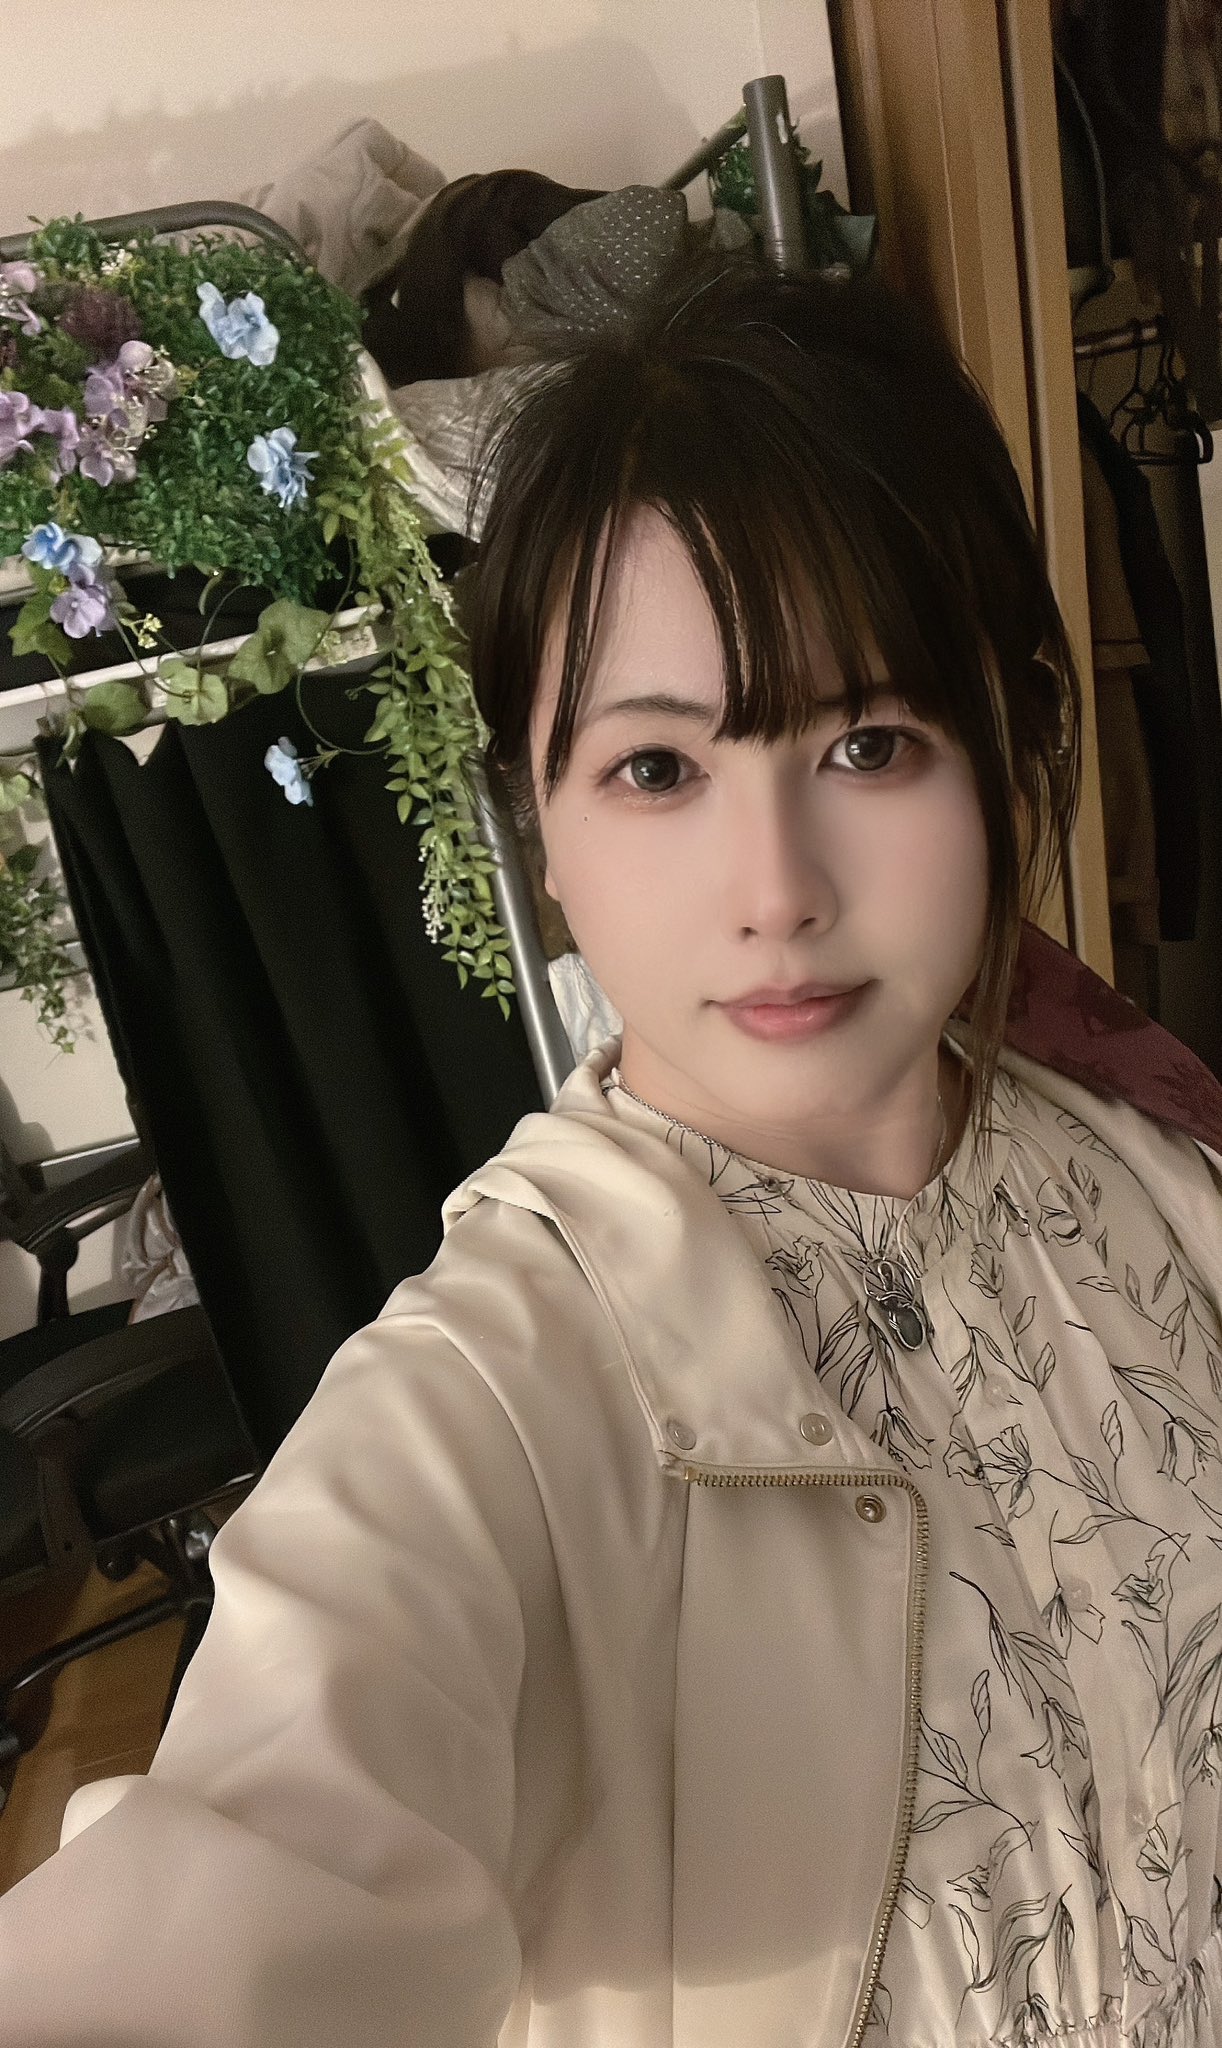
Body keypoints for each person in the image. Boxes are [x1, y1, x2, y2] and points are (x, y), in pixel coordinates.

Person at [2, 259, 1222, 2048]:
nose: (774, 892)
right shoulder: (493, 1399)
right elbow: (253, 1876)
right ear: (540, 831)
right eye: (657, 771)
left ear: (1011, 747)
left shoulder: (1137, 1154)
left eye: (869, 744)